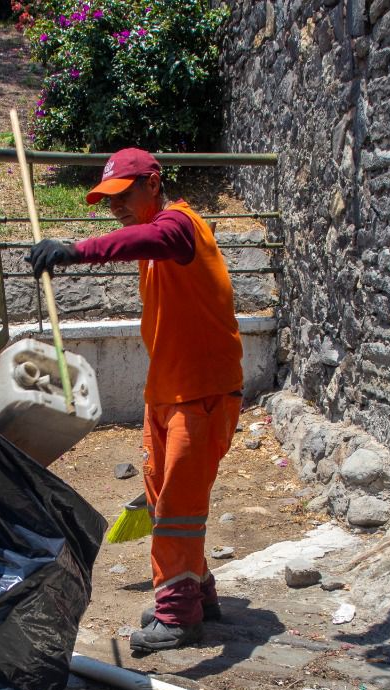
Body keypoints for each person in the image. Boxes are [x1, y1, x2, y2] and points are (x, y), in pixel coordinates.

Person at [28, 148, 243, 654]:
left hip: (203, 393)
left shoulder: (180, 228)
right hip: (166, 390)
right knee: (165, 501)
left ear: (153, 183)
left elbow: (152, 237)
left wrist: (77, 250)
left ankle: (177, 616)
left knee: (176, 508)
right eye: (109, 200)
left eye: (125, 195)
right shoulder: (157, 242)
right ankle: (195, 592)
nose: (117, 207)